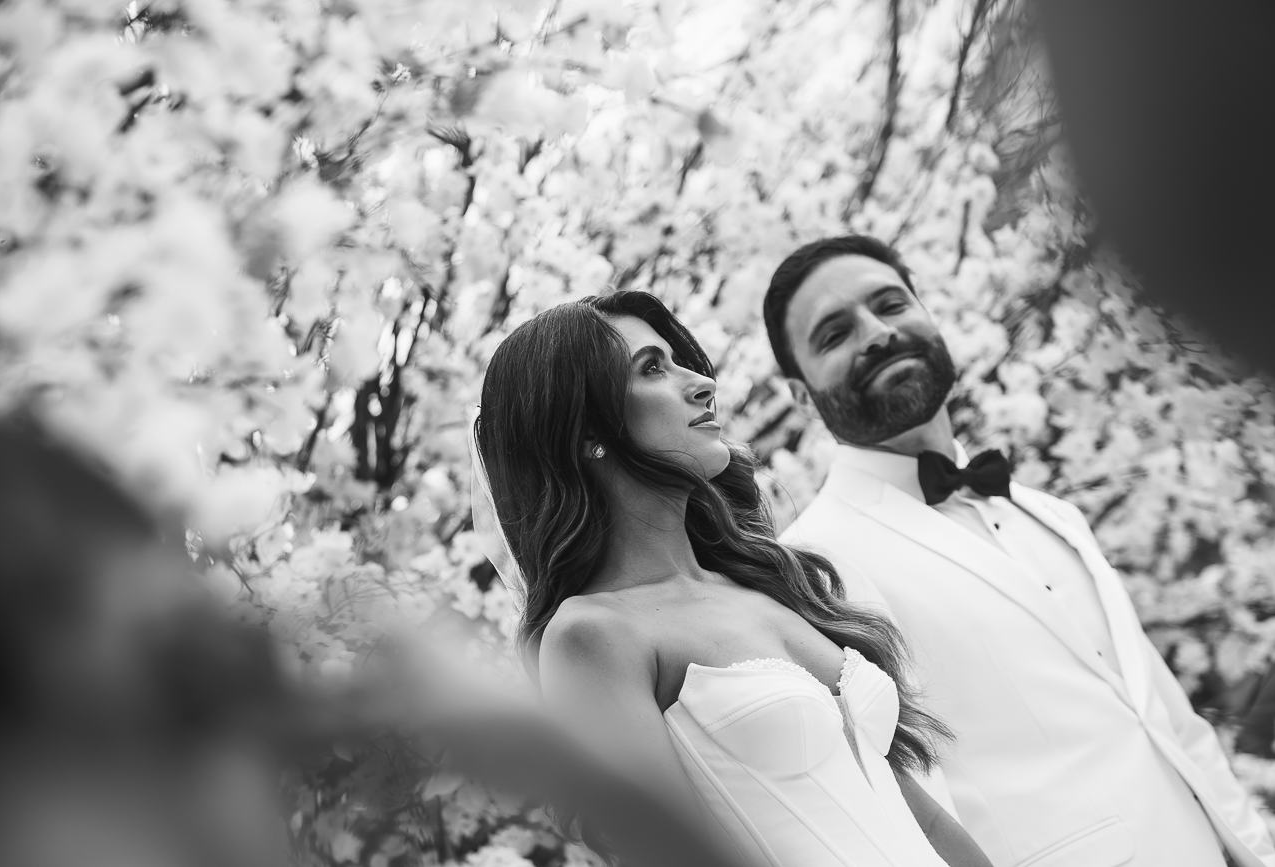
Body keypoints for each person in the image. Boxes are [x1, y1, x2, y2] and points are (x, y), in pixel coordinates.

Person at [765, 235, 1275, 867]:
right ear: (798, 393)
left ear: (927, 313)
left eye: (891, 304)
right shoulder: (815, 566)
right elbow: (897, 811)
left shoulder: (1049, 513)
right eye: (834, 332)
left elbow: (1167, 718)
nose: (876, 333)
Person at [472, 290, 994, 867]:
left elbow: (924, 819)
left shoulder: (770, 585)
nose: (701, 382)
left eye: (681, 360)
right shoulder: (592, 635)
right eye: (652, 369)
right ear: (582, 429)